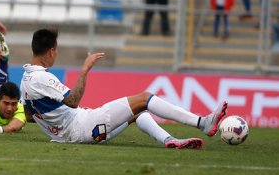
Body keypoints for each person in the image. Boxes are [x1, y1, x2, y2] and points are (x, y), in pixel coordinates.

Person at [20, 29, 228, 148]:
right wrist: (85, 70)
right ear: (51, 51)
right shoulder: (42, 78)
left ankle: (169, 140)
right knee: (144, 98)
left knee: (138, 112)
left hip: (71, 134)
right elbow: (73, 101)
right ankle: (203, 123)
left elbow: (30, 115)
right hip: (81, 128)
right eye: (56, 52)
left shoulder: (26, 81)